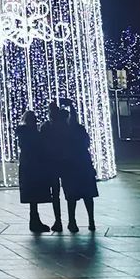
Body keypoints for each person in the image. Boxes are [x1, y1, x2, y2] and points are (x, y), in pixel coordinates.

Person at [59, 99, 98, 232]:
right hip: (83, 164)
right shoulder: (79, 129)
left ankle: (72, 221)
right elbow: (87, 143)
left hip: (70, 166)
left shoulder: (63, 133)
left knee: (71, 197)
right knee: (88, 196)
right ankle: (91, 221)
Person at [16, 111, 53, 233]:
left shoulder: (24, 133)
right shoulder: (31, 133)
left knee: (33, 197)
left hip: (29, 166)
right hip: (33, 167)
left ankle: (35, 220)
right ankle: (34, 221)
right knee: (34, 196)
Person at [40, 102, 69, 232]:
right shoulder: (63, 126)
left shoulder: (47, 126)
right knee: (66, 192)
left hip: (53, 162)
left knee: (57, 193)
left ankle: (59, 220)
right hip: (62, 161)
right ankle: (66, 220)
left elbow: (42, 143)